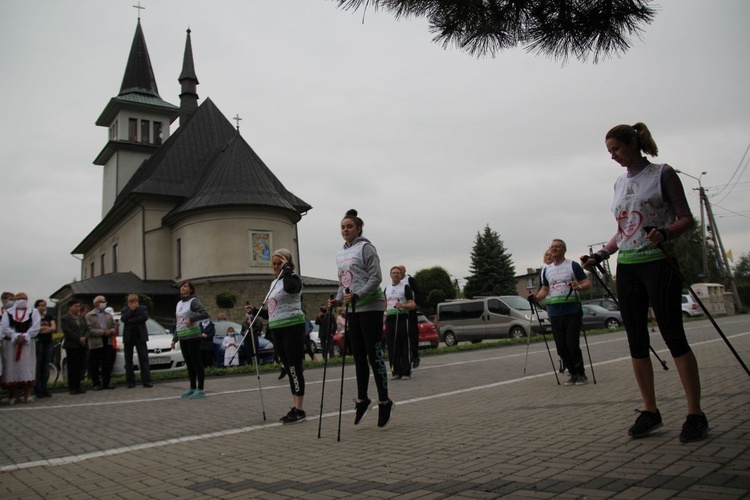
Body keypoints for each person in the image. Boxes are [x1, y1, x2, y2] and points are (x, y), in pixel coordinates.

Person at [582, 122, 708, 443]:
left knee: (673, 336)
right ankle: (650, 411)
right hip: (628, 267)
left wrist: (666, 232)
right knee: (636, 342)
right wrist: (602, 254)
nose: (613, 156)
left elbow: (685, 218)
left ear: (634, 144)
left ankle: (695, 413)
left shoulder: (662, 173)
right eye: (609, 152)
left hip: (658, 263)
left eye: (617, 149)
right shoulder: (618, 183)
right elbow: (623, 228)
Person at [328, 209, 393, 428]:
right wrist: (338, 301)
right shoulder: (340, 253)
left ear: (358, 228)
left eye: (349, 227)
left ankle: (385, 401)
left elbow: (376, 277)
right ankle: (363, 399)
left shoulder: (366, 248)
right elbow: (343, 282)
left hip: (371, 306)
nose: (345, 230)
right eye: (342, 227)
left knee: (374, 355)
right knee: (357, 356)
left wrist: (359, 294)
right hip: (353, 309)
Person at [531, 239, 592, 386]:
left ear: (564, 249)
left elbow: (587, 283)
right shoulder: (546, 270)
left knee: (572, 343)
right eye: (552, 247)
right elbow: (545, 289)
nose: (553, 249)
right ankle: (572, 373)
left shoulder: (572, 265)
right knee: (561, 346)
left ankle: (581, 374)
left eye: (557, 247)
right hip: (555, 311)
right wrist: (536, 297)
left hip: (572, 309)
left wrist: (579, 286)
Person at [262, 248, 308, 424]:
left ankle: (299, 409)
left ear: (287, 263)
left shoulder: (293, 278)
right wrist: (257, 313)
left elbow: (290, 289)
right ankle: (295, 407)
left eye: (279, 263)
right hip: (277, 328)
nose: (275, 267)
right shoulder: (274, 283)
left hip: (292, 326)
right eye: (273, 264)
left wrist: (286, 269)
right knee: (288, 368)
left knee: (295, 367)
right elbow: (272, 311)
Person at [170, 281, 209, 399]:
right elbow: (179, 323)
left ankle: (200, 389)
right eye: (182, 286)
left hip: (193, 336)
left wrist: (191, 319)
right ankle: (192, 387)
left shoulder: (193, 301)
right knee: (189, 363)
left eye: (185, 286)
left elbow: (205, 314)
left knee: (196, 362)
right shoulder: (179, 303)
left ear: (191, 290)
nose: (182, 288)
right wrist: (174, 339)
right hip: (182, 336)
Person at [1, 292, 41, 404]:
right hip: (12, 344)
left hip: (27, 344)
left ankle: (28, 394)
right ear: (14, 300)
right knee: (12, 368)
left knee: (27, 367)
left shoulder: (33, 312)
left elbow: (36, 326)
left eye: (24, 298)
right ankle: (14, 395)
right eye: (19, 298)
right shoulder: (7, 313)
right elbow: (5, 327)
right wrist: (15, 336)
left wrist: (25, 336)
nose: (22, 300)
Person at [384, 266, 416, 380]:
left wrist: (403, 305)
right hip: (390, 319)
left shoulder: (405, 287)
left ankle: (406, 371)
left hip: (402, 317)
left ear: (401, 274)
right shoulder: (386, 288)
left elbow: (412, 305)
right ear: (390, 275)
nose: (396, 274)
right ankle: (396, 371)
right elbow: (385, 304)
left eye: (398, 272)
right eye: (393, 273)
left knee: (403, 344)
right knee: (392, 345)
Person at [120, 294, 152, 388]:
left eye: (134, 301)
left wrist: (131, 320)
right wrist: (131, 310)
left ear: (137, 301)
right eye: (130, 302)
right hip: (128, 338)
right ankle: (130, 382)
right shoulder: (125, 310)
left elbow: (144, 317)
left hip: (140, 336)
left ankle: (146, 381)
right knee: (128, 360)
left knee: (144, 359)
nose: (132, 303)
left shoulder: (143, 309)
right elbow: (124, 319)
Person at [85, 296, 117, 390]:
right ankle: (96, 383)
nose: (104, 303)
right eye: (102, 302)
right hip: (96, 342)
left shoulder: (108, 315)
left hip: (108, 340)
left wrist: (111, 331)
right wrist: (102, 332)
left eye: (104, 301)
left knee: (107, 363)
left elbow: (113, 326)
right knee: (95, 364)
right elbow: (90, 330)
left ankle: (106, 383)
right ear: (96, 303)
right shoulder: (89, 315)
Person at [397, 265, 421, 369]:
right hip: (400, 310)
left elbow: (418, 292)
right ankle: (404, 356)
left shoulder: (409, 279)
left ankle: (415, 355)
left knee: (413, 332)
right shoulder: (395, 283)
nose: (399, 273)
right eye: (397, 271)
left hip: (410, 309)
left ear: (404, 271)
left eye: (400, 271)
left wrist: (415, 304)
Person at [61, 299, 87, 395]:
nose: (78, 308)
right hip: (72, 345)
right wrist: (78, 338)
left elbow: (87, 329)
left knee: (80, 366)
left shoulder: (82, 318)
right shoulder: (65, 318)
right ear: (70, 307)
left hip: (82, 345)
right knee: (72, 367)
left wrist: (84, 337)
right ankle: (72, 387)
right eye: (75, 306)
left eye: (78, 306)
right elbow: (67, 331)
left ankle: (78, 386)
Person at [34, 299, 56, 398]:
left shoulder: (49, 317)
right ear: (36, 307)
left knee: (45, 366)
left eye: (44, 305)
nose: (42, 307)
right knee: (38, 367)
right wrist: (45, 329)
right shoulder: (33, 317)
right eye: (40, 305)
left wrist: (41, 329)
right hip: (38, 343)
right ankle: (37, 389)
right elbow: (35, 330)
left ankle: (44, 388)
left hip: (48, 343)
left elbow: (53, 328)